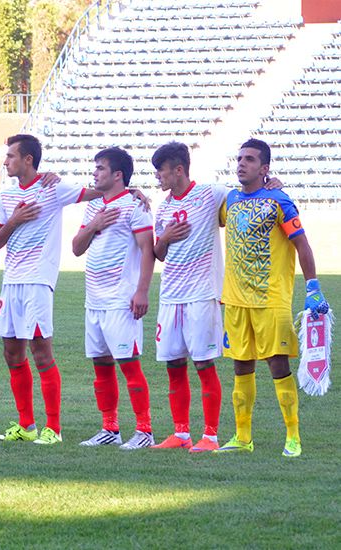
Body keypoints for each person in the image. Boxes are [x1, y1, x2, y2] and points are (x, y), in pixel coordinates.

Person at [215, 138, 329, 458]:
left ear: (264, 168)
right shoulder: (230, 200)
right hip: (235, 300)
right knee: (241, 366)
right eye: (239, 158)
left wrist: (313, 286)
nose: (241, 164)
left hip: (271, 298)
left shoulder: (279, 201)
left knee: (278, 365)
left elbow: (301, 244)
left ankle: (293, 436)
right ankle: (242, 437)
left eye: (249, 159)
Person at [0, 134, 94, 445]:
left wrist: (133, 191)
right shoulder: (7, 198)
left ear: (28, 160)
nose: (6, 161)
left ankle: (54, 429)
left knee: (40, 351)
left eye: (11, 156)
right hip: (11, 283)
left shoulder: (53, 188)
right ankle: (26, 425)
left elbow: (97, 191)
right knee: (12, 352)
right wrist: (16, 220)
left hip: (38, 281)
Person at [72, 147, 156, 450]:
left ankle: (145, 431)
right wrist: (94, 225)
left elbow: (148, 249)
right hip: (93, 299)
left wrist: (141, 290)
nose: (95, 173)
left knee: (129, 364)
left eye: (100, 168)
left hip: (121, 300)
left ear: (118, 175)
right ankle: (110, 428)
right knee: (101, 365)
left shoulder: (135, 206)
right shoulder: (94, 207)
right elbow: (76, 248)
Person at [149, 142, 225, 452]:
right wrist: (165, 237)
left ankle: (210, 436)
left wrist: (271, 183)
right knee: (174, 364)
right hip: (170, 297)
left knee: (204, 364)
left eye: (161, 171)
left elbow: (246, 197)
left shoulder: (210, 194)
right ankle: (181, 433)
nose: (158, 177)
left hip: (201, 295)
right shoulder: (163, 207)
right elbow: (159, 253)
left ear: (178, 169)